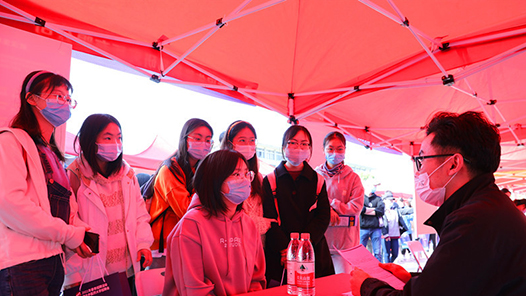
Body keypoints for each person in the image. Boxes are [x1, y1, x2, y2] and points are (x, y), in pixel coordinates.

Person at [351, 111, 526, 296]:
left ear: (453, 164)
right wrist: (413, 280)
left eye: (422, 159)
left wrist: (367, 288)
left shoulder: (473, 219)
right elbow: (462, 280)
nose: (418, 173)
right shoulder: (488, 206)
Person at [0, 70, 93, 295]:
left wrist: (79, 230)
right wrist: (68, 234)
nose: (65, 103)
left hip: (53, 260)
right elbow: (11, 204)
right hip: (23, 263)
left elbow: (65, 207)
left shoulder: (52, 154)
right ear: (31, 98)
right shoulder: (10, 141)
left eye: (68, 98)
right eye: (57, 96)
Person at [65, 114, 154, 293]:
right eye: (108, 137)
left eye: (119, 137)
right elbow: (69, 220)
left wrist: (143, 244)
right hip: (90, 272)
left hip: (127, 269)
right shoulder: (74, 175)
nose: (116, 143)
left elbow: (140, 213)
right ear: (90, 140)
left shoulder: (128, 175)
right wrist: (73, 274)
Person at [163, 150, 266, 296]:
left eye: (246, 174)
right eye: (236, 174)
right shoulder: (192, 225)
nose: (244, 180)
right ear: (214, 180)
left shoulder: (248, 224)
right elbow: (194, 289)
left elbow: (257, 279)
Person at [262, 125, 334, 286]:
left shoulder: (318, 180)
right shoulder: (270, 180)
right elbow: (269, 218)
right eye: (293, 143)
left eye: (304, 144)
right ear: (283, 147)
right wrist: (284, 250)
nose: (298, 148)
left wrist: (302, 248)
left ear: (310, 148)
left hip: (314, 254)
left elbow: (323, 217)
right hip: (279, 257)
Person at [148, 118, 213, 268]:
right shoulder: (169, 170)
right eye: (197, 138)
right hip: (163, 246)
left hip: (187, 241)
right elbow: (186, 209)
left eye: (208, 140)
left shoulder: (199, 170)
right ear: (185, 139)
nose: (203, 143)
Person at [314, 131, 364, 274]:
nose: (335, 152)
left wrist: (331, 203)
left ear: (345, 150)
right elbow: (310, 204)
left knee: (344, 286)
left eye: (339, 148)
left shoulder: (353, 178)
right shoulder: (315, 176)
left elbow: (355, 207)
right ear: (323, 149)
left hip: (346, 245)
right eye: (330, 148)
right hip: (320, 241)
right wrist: (327, 210)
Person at [220, 120, 274, 243]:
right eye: (242, 140)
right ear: (230, 143)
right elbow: (230, 217)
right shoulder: (222, 175)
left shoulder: (258, 177)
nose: (248, 145)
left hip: (256, 243)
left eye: (252, 140)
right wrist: (264, 223)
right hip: (232, 241)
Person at [360, 187, 385, 262]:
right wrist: (374, 209)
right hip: (363, 228)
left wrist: (366, 210)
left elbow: (381, 211)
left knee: (377, 252)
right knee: (360, 251)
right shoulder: (361, 198)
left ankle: (379, 269)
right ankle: (360, 268)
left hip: (375, 228)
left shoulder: (378, 199)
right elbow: (361, 210)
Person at [381, 192, 407, 263]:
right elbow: (381, 222)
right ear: (384, 200)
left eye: (392, 200)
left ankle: (389, 265)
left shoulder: (395, 209)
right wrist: (384, 233)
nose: (391, 202)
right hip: (386, 235)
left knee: (395, 254)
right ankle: (387, 268)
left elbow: (404, 211)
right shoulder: (382, 209)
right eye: (389, 200)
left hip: (395, 234)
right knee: (386, 254)